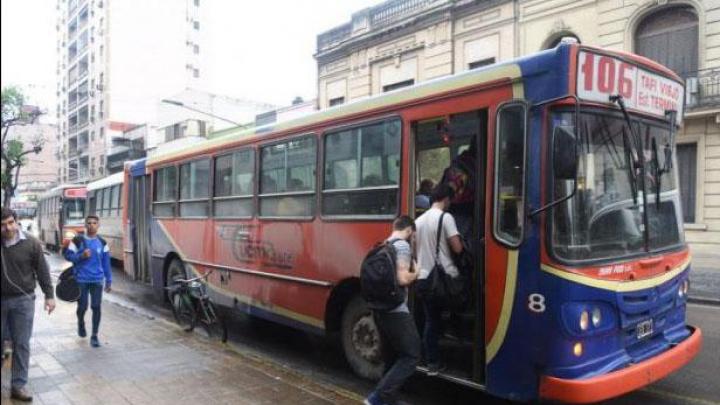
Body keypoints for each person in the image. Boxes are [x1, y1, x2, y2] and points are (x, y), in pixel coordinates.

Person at [1, 207, 56, 402]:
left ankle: (18, 386)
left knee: (21, 344)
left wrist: (49, 295)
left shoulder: (31, 243)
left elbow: (42, 270)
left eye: (10, 223)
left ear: (17, 222)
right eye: (2, 225)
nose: (8, 228)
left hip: (23, 300)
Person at [364, 215, 420, 405]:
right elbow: (403, 279)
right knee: (411, 355)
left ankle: (388, 399)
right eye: (413, 235)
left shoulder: (383, 245)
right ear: (409, 230)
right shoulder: (402, 246)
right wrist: (416, 273)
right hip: (396, 309)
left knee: (392, 355)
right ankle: (377, 398)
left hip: (379, 309)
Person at [414, 184, 464, 375]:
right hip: (444, 279)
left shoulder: (418, 221)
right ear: (446, 199)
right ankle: (451, 350)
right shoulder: (446, 218)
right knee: (457, 308)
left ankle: (431, 362)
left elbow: (414, 251)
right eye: (450, 200)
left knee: (431, 320)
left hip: (423, 278)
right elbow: (457, 248)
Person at [63, 215, 112, 348]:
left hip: (97, 280)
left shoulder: (102, 243)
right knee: (82, 307)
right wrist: (81, 256)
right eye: (89, 223)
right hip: (81, 280)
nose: (91, 225)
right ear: (85, 225)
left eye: (94, 223)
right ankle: (80, 322)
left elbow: (106, 263)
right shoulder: (77, 240)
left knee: (96, 307)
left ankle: (94, 336)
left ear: (98, 225)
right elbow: (68, 256)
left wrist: (109, 280)